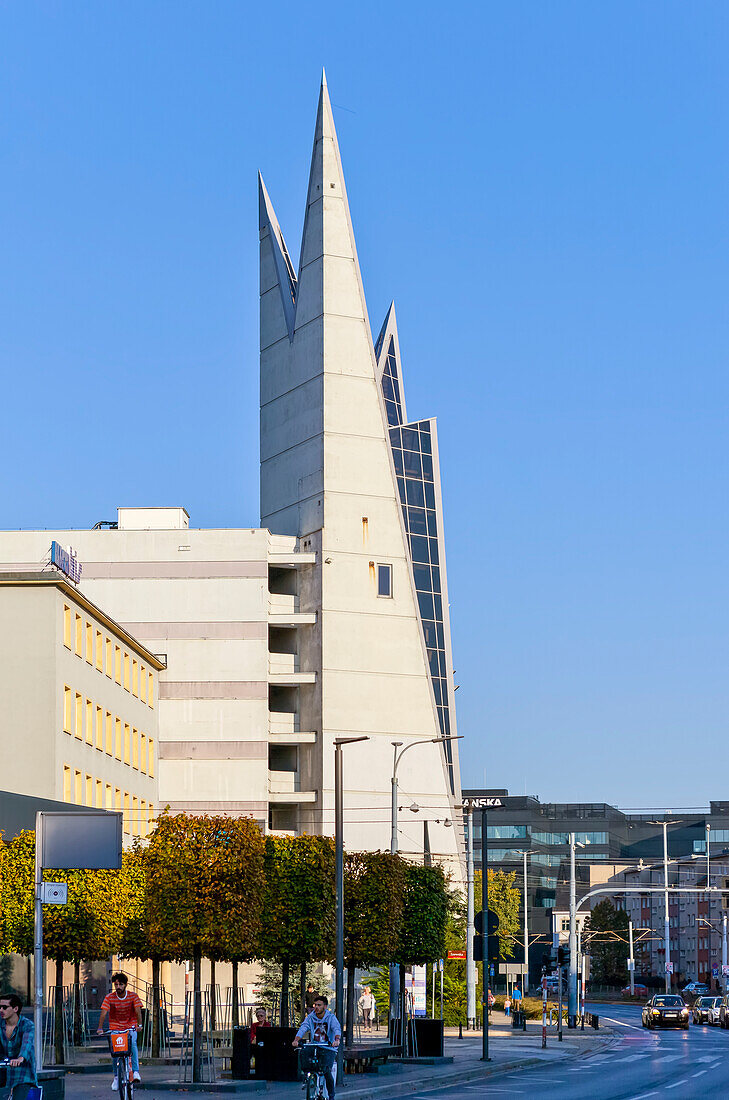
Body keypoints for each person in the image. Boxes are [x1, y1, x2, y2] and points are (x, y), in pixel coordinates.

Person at [97, 972, 143, 1089]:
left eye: (120, 984)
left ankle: (136, 1072)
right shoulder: (109, 997)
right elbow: (104, 1012)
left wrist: (139, 1025)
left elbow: (137, 1011)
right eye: (116, 984)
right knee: (115, 1052)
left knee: (132, 1044)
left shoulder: (133, 996)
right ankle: (116, 1078)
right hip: (115, 1028)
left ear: (126, 985)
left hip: (130, 1026)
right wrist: (100, 1028)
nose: (118, 987)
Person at [292, 994, 341, 1100]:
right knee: (303, 1052)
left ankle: (331, 1095)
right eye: (315, 1005)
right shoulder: (310, 1017)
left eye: (319, 1005)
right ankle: (307, 1076)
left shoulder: (331, 1017)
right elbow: (303, 1027)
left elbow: (336, 1028)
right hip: (315, 1045)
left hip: (328, 1047)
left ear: (325, 1006)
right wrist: (296, 1039)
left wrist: (337, 1040)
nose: (316, 1007)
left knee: (326, 1070)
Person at [0, 994, 36, 1100]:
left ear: (15, 1008)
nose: (1, 1010)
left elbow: (27, 1043)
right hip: (3, 1071)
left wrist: (20, 1058)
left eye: (5, 1007)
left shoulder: (27, 1025)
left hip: (22, 1073)